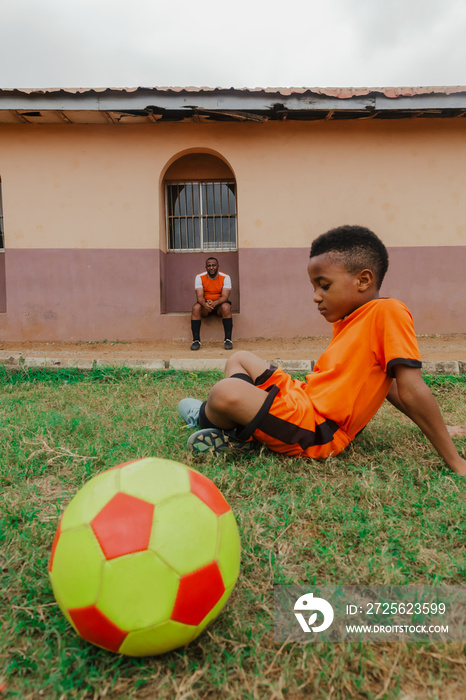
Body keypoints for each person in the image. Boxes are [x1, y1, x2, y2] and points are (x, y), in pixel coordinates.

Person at [179, 225, 466, 475]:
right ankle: (236, 429)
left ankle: (205, 417)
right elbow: (385, 385)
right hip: (304, 400)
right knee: (239, 358)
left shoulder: (388, 312)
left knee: (224, 392)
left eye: (324, 286)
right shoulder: (348, 320)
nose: (316, 296)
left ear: (363, 280)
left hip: (319, 429)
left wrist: (455, 459)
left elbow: (410, 389)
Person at [190, 257, 233, 351]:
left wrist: (215, 303)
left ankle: (228, 340)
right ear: (206, 267)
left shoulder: (225, 277)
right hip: (205, 306)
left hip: (219, 305)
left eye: (213, 265)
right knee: (196, 308)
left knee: (226, 307)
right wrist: (205, 304)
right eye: (209, 265)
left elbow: (225, 297)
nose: (211, 267)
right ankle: (196, 341)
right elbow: (199, 296)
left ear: (218, 266)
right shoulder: (199, 277)